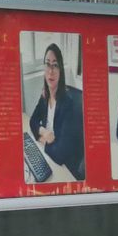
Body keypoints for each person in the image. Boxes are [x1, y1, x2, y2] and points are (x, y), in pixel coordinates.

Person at [27, 41, 86, 181]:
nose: (51, 71)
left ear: (61, 71)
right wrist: (44, 133)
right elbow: (33, 121)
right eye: (48, 64)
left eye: (55, 65)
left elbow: (60, 154)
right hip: (49, 156)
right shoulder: (45, 95)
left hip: (66, 168)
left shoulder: (69, 103)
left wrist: (42, 141)